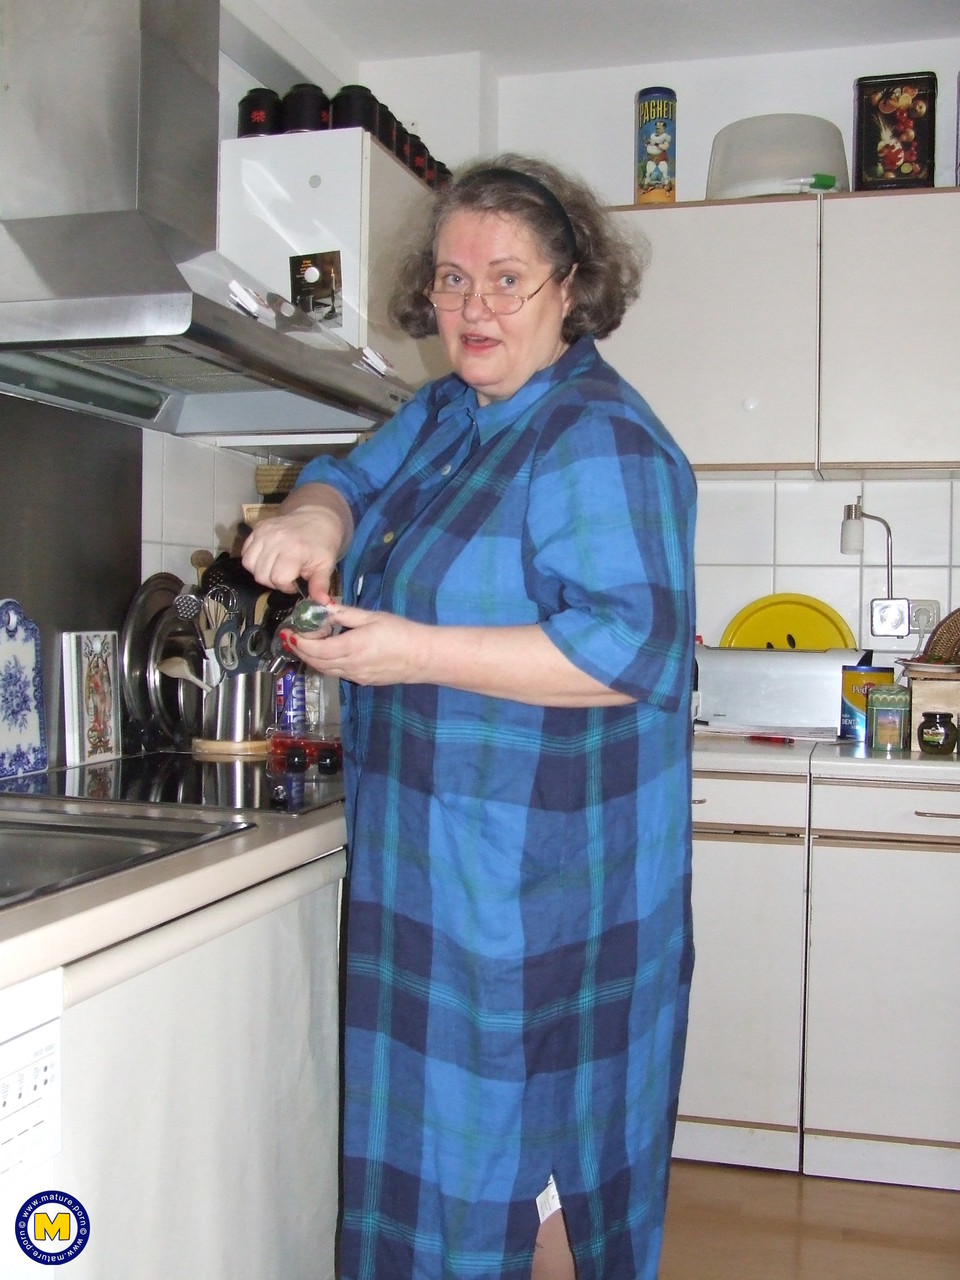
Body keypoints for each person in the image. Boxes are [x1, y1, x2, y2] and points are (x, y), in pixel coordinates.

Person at [242, 154, 697, 1280]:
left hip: (545, 888)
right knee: (436, 1158)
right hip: (432, 864)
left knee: (536, 1159)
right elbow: (349, 474)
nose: (473, 306)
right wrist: (316, 516)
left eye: (506, 278)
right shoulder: (450, 412)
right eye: (452, 279)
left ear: (570, 287)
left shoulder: (596, 434)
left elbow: (634, 647)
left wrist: (409, 652)